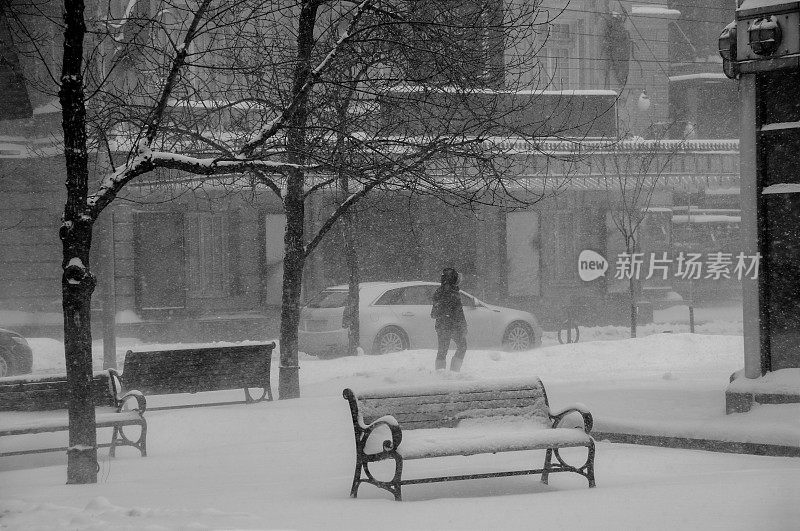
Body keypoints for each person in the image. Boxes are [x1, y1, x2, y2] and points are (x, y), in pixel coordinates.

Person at [430, 267, 467, 371]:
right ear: (454, 279)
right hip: (454, 327)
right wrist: (463, 326)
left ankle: (440, 373)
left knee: (442, 351)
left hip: (441, 327)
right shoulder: (454, 293)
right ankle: (454, 371)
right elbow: (459, 313)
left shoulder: (439, 291)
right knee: (462, 347)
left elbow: (433, 314)